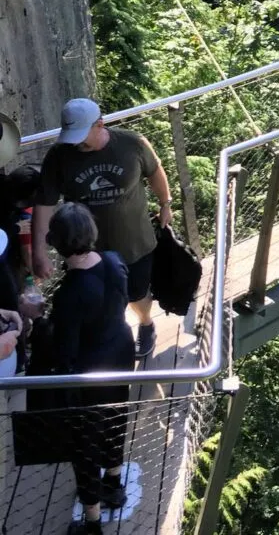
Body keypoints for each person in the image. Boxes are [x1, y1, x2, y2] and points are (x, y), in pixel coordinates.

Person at [34, 98, 173, 359]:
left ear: (100, 124)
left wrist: (165, 203)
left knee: (137, 293)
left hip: (135, 243)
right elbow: (44, 204)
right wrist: (38, 253)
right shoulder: (59, 157)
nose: (76, 142)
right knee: (94, 298)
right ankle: (106, 341)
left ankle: (145, 323)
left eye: (82, 135)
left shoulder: (132, 143)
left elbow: (155, 171)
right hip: (84, 251)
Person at [47, 203, 135, 535]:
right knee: (115, 418)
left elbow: (65, 352)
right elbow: (119, 303)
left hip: (90, 372)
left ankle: (93, 521)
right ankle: (114, 483)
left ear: (58, 244)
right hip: (122, 355)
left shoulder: (70, 293)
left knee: (85, 442)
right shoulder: (114, 261)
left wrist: (44, 325)